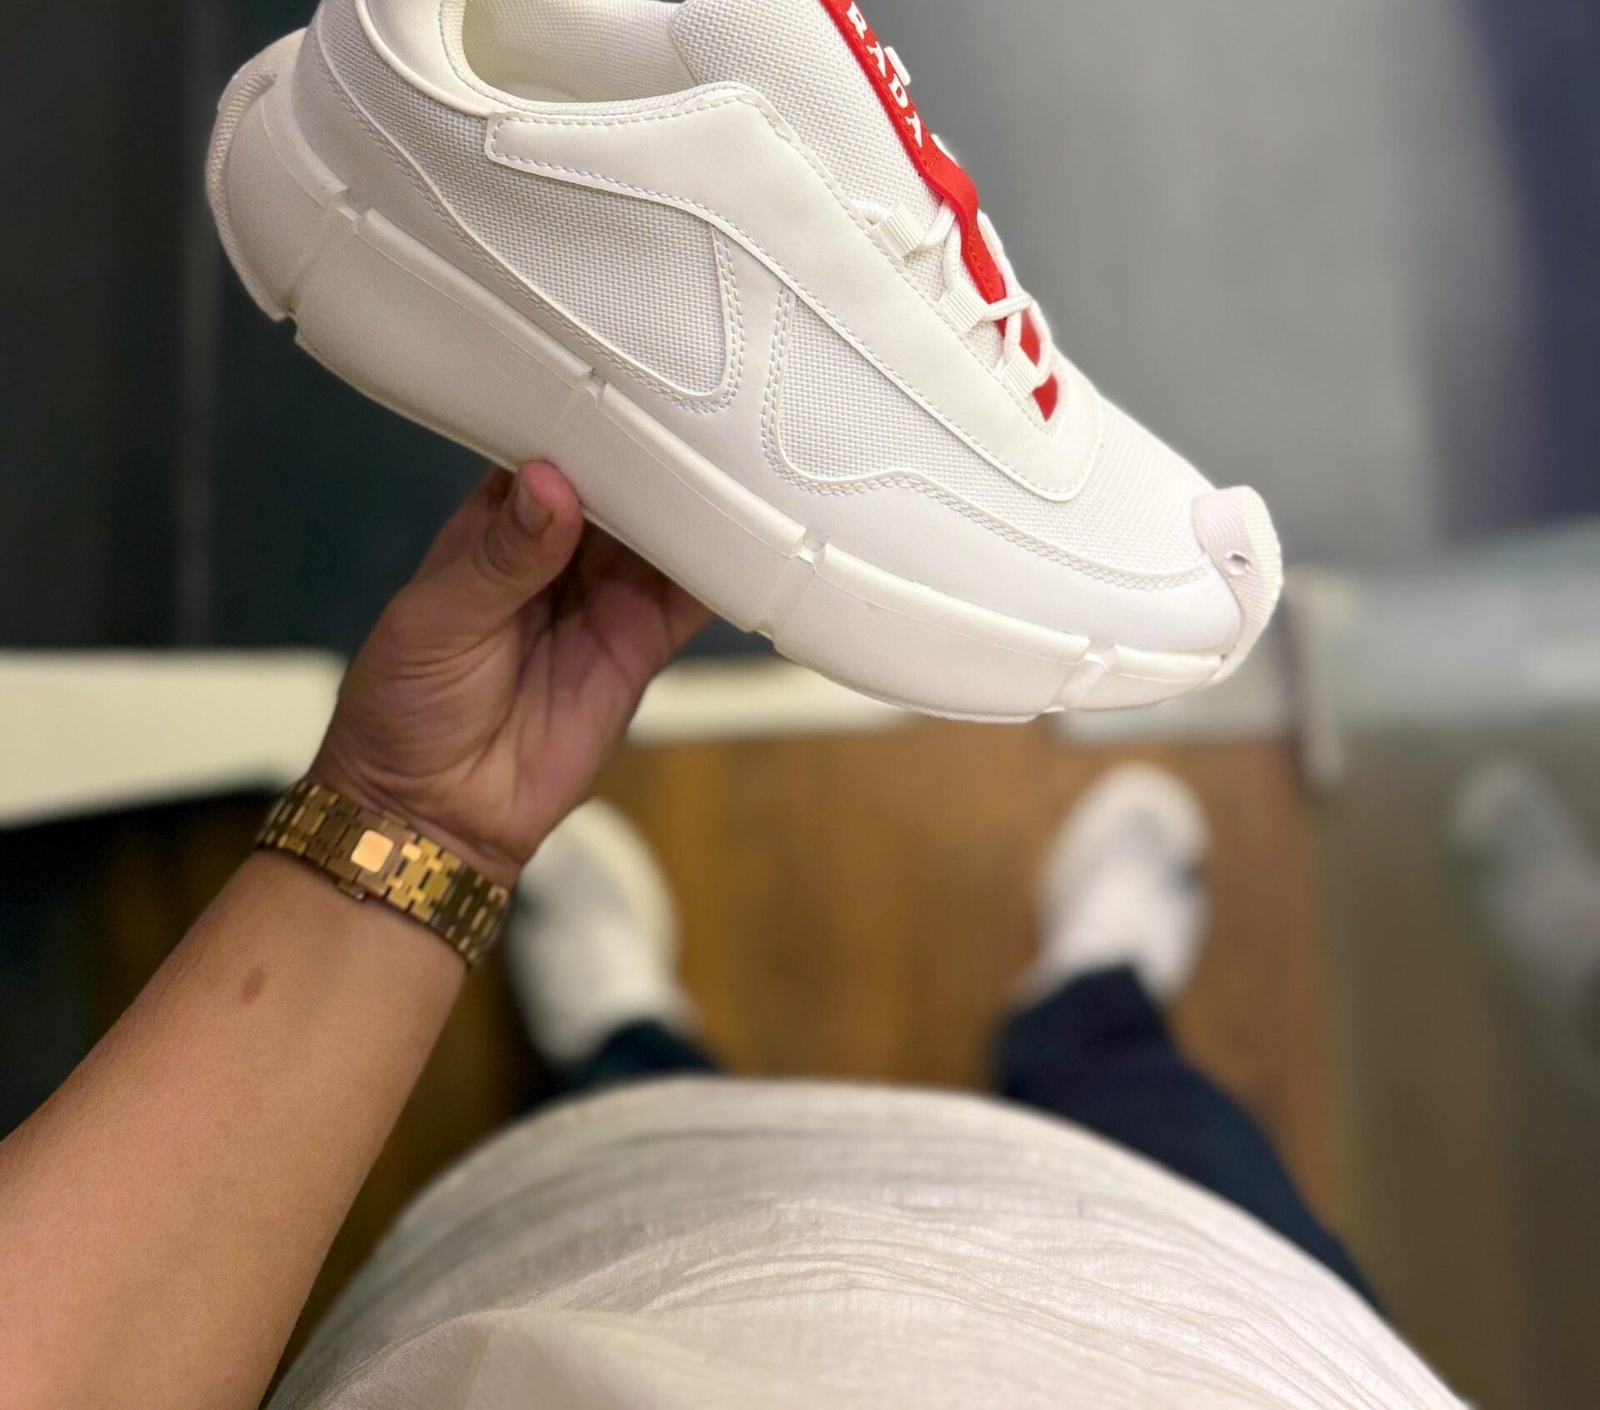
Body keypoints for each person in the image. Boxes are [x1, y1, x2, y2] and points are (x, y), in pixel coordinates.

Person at [0, 463, 1462, 1410]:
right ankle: (1089, 1003)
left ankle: (627, 1039)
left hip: (616, 1303)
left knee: (633, 1138)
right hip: (1250, 1342)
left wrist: (418, 826)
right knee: (1158, 1127)